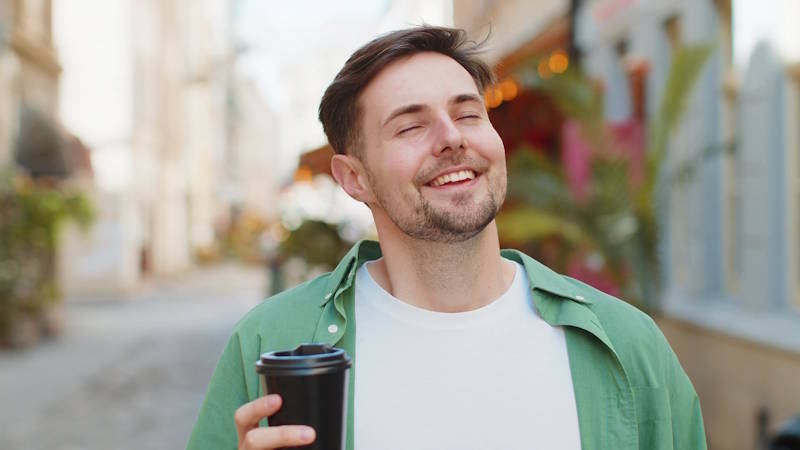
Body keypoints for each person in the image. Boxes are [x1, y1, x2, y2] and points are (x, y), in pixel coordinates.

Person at [187, 26, 707, 450]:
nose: (452, 137)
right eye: (411, 127)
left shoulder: (627, 346)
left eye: (467, 113)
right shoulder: (270, 342)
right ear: (354, 178)